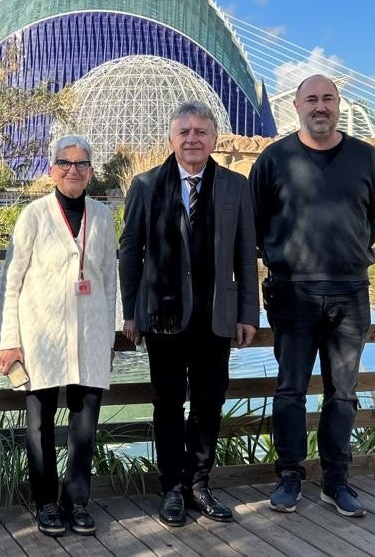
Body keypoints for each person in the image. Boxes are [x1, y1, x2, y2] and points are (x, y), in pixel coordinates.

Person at [250, 74, 375, 518]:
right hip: (293, 291)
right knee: (290, 390)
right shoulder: (273, 160)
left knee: (342, 393)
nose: (320, 106)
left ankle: (335, 480)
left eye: (328, 98)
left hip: (349, 291)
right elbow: (256, 224)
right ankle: (290, 476)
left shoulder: (366, 158)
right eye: (312, 99)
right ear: (297, 106)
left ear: (339, 104)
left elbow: (374, 218)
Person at [118, 101, 259, 528]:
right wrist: (131, 311)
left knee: (209, 402)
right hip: (163, 316)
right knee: (167, 403)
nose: (193, 139)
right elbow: (130, 252)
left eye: (201, 132)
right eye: (185, 132)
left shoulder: (235, 186)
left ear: (214, 139)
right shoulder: (146, 186)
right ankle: (172, 489)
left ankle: (199, 483)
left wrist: (248, 312)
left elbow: (246, 254)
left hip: (216, 315)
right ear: (171, 139)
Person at [0, 135, 118, 537]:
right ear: (52, 169)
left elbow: (109, 281)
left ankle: (78, 501)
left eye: (82, 163)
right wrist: (9, 340)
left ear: (91, 172)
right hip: (40, 334)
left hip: (90, 332)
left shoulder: (102, 215)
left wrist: (110, 337)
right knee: (40, 423)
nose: (73, 169)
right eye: (65, 162)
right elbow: (11, 281)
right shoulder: (33, 215)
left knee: (84, 424)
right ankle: (47, 502)